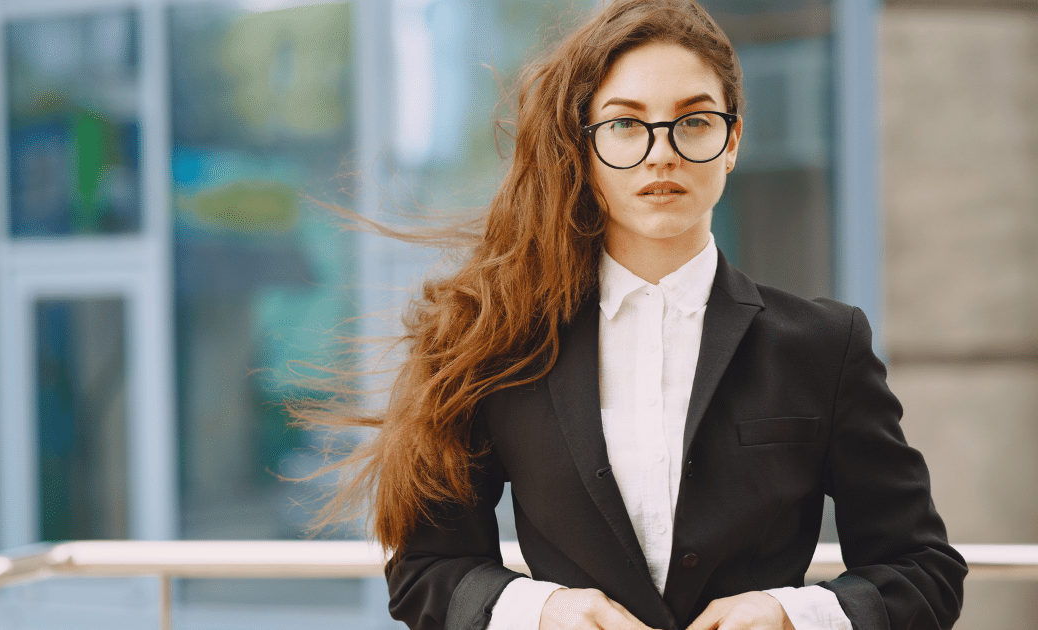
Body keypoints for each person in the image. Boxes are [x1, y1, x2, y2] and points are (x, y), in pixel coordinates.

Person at [299, 1, 966, 629]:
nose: (662, 152)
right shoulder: (501, 339)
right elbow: (424, 572)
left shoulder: (825, 345)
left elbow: (923, 571)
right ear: (585, 149)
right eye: (624, 123)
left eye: (695, 120)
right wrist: (543, 610)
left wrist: (791, 614)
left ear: (732, 142)